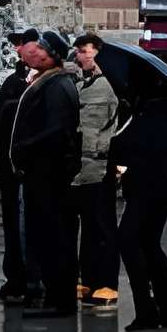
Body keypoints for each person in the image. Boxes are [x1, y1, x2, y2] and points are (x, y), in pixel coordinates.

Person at [7, 33, 83, 319]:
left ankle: (59, 298)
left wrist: (26, 146)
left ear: (51, 55)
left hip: (49, 176)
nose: (34, 52)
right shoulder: (48, 81)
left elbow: (58, 131)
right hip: (41, 174)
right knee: (46, 235)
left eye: (40, 48)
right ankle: (55, 294)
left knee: (55, 237)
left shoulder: (57, 86)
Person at [108, 108, 167, 332]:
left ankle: (146, 309)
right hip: (161, 186)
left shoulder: (152, 114)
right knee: (149, 244)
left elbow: (126, 145)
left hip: (147, 186)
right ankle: (164, 310)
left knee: (129, 240)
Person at [70, 35, 121, 307]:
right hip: (81, 166)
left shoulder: (110, 85)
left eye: (83, 52)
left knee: (102, 226)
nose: (79, 56)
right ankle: (88, 277)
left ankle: (107, 282)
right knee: (88, 226)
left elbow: (115, 124)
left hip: (100, 164)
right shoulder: (81, 83)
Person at [0, 60, 33, 302]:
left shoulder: (10, 102)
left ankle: (16, 280)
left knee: (14, 227)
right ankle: (22, 281)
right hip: (21, 174)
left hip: (10, 174)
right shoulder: (31, 102)